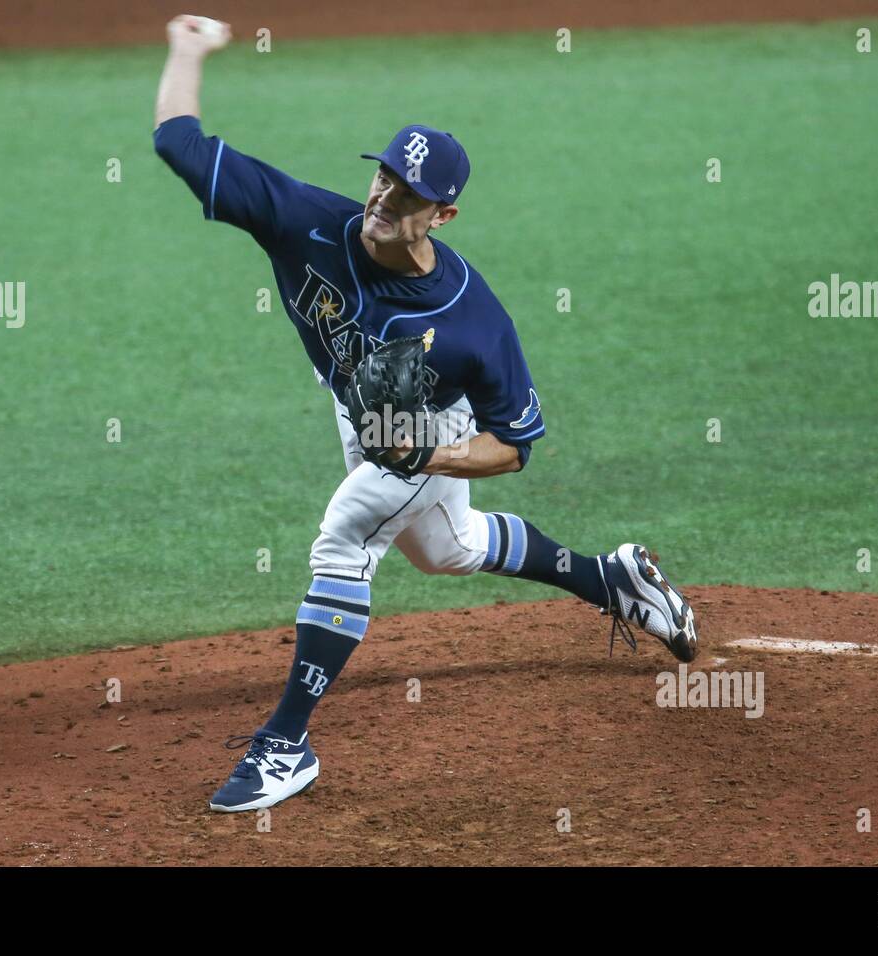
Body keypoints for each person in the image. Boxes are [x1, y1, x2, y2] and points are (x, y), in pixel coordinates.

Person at [152, 15, 699, 813]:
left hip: (429, 436)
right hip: (363, 419)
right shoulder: (303, 218)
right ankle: (612, 579)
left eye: (409, 195)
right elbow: (178, 142)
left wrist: (426, 458)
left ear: (443, 215)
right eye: (382, 178)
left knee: (344, 539)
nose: (384, 198)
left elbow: (514, 446)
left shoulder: (477, 321)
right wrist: (187, 48)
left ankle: (285, 744)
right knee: (450, 548)